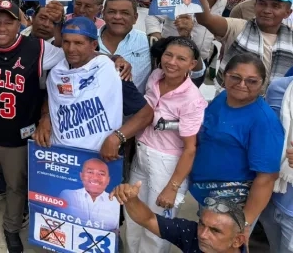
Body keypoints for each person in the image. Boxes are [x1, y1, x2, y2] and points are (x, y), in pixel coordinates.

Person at [0, 0, 66, 253]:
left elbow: (74, 54)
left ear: (20, 24)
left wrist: (112, 59)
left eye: (8, 22)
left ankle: (12, 228)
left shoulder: (37, 48)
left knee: (16, 186)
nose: (2, 27)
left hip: (19, 134)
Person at [125, 37, 208, 253]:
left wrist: (172, 188)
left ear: (192, 64)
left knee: (157, 227)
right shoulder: (155, 76)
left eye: (181, 59)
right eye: (168, 55)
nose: (172, 62)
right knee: (133, 215)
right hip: (141, 155)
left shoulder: (192, 99)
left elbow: (190, 148)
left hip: (167, 164)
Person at [189, 54, 283, 234]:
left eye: (251, 81)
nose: (242, 85)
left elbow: (266, 178)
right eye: (235, 77)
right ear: (225, 75)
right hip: (206, 197)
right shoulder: (223, 97)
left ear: (262, 83)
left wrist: (244, 224)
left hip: (233, 206)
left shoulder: (264, 122)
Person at [181, 0, 293, 88]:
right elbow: (205, 19)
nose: (267, 10)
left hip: (276, 100)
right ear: (255, 5)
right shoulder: (239, 27)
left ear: (288, 13)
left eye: (275, 6)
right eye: (262, 3)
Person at [112, 181, 248, 253]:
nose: (203, 235)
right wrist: (131, 199)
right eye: (202, 224)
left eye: (215, 230)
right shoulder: (191, 233)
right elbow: (148, 219)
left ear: (237, 240)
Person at [98, 0, 152, 91]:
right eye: (112, 12)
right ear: (103, 14)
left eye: (125, 13)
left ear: (135, 18)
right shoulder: (87, 40)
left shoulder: (149, 43)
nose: (117, 17)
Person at [57, 158, 120, 231]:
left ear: (108, 180)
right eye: (90, 172)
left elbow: (117, 231)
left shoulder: (116, 201)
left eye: (101, 174)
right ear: (81, 175)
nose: (95, 178)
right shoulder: (68, 195)